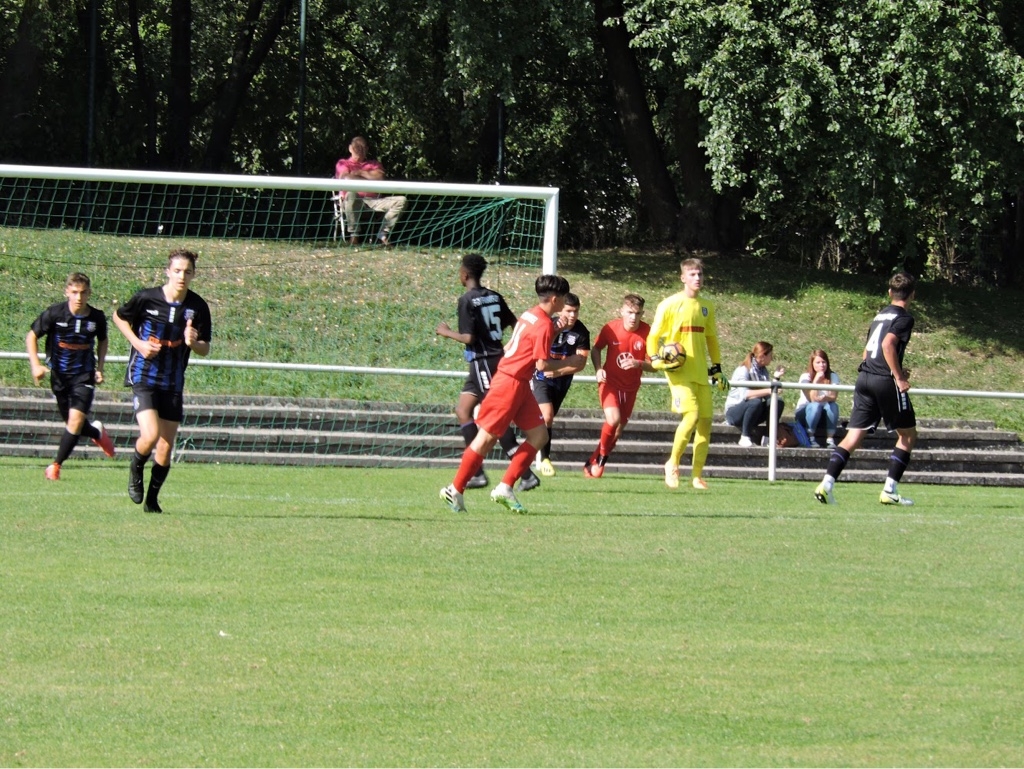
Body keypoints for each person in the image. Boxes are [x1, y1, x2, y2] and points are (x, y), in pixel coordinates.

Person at [440, 274, 582, 514]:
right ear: (556, 300)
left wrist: (556, 329)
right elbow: (542, 365)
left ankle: (505, 487)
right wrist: (571, 361)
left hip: (519, 383)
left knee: (539, 437)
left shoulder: (530, 314)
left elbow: (531, 345)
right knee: (485, 439)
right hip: (509, 384)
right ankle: (455, 489)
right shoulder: (545, 323)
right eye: (564, 300)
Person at [112, 249, 212, 513]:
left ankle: (152, 500)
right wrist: (138, 344)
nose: (181, 276)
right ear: (168, 271)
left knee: (166, 448)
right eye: (177, 271)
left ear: (193, 275)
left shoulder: (198, 307)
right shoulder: (147, 298)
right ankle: (135, 466)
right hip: (144, 375)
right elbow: (119, 317)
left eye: (187, 272)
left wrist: (194, 342)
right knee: (151, 434)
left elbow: (205, 348)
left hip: (173, 380)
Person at [435, 253, 542, 492]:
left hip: (484, 362)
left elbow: (468, 337)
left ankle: (525, 475)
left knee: (496, 420)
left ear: (465, 274)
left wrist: (445, 332)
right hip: (488, 362)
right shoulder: (494, 296)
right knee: (463, 410)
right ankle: (477, 472)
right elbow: (515, 323)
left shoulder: (467, 300)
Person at [815, 271, 919, 506]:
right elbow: (887, 344)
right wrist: (899, 376)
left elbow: (867, 351)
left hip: (865, 377)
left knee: (853, 436)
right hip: (884, 380)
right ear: (912, 294)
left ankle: (826, 484)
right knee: (908, 434)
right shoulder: (904, 318)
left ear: (889, 292)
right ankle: (889, 491)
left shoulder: (879, 316)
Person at [646, 257, 727, 490]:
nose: (697, 278)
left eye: (700, 274)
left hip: (701, 371)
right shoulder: (669, 304)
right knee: (690, 416)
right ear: (683, 278)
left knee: (706, 422)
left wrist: (717, 368)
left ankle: (697, 476)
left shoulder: (706, 306)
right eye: (692, 274)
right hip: (678, 370)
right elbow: (653, 336)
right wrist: (655, 359)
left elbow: (711, 339)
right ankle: (672, 464)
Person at [26, 272, 117, 480]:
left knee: (75, 421)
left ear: (89, 294)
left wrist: (100, 368)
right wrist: (36, 365)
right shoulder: (55, 314)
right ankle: (96, 433)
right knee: (72, 422)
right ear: (67, 292)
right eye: (75, 292)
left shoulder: (96, 317)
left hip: (84, 377)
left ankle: (55, 466)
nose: (79, 297)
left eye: (83, 293)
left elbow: (103, 341)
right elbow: (32, 335)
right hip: (59, 376)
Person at [583, 294, 653, 478]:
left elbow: (654, 366)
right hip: (610, 383)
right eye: (629, 312)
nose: (633, 317)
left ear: (642, 314)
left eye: (637, 313)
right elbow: (596, 348)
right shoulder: (610, 328)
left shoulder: (648, 332)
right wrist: (598, 369)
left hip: (631, 387)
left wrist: (638, 363)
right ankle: (602, 460)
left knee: (617, 432)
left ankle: (591, 462)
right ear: (621, 311)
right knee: (612, 420)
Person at [530, 292, 590, 476]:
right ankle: (545, 458)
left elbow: (580, 364)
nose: (572, 315)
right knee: (546, 416)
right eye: (569, 311)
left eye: (576, 311)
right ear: (561, 309)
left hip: (561, 382)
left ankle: (530, 456)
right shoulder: (548, 325)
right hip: (540, 377)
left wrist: (557, 371)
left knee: (545, 420)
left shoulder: (581, 333)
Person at [334, 136, 406, 246]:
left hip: (374, 201)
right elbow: (346, 179)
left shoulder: (374, 164)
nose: (359, 150)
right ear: (350, 148)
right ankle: (354, 236)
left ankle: (382, 235)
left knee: (401, 200)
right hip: (352, 201)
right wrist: (369, 176)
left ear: (367, 149)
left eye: (362, 147)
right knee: (352, 193)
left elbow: (380, 178)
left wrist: (360, 173)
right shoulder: (343, 163)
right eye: (356, 147)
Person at [723, 341, 786, 447]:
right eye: (771, 355)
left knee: (777, 401)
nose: (772, 358)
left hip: (753, 411)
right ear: (763, 355)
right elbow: (746, 394)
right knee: (755, 401)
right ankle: (745, 436)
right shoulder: (743, 370)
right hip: (735, 412)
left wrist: (776, 378)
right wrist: (769, 390)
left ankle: (768, 437)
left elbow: (767, 395)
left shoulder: (763, 371)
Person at [794, 349, 841, 448]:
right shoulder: (805, 377)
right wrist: (816, 381)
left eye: (824, 362)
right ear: (812, 364)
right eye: (818, 362)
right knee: (815, 405)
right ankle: (810, 437)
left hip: (823, 415)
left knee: (833, 406)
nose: (822, 365)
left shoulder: (833, 376)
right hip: (805, 413)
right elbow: (811, 398)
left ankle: (830, 439)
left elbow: (833, 397)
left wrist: (825, 398)